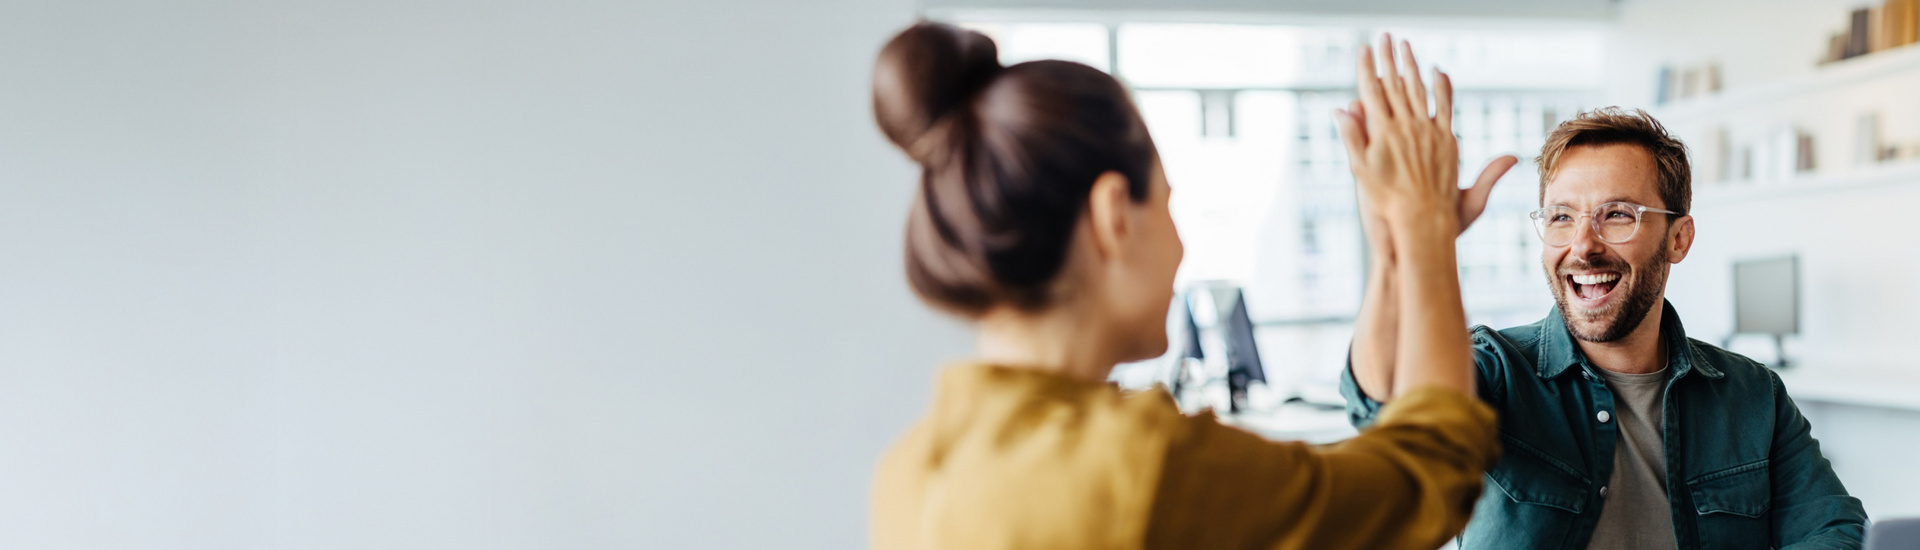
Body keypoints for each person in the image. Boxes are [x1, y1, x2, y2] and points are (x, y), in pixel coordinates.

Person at [868, 23, 1505, 549]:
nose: (1182, 246)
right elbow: (1427, 479)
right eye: (1168, 206)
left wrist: (1397, 255)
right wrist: (1424, 230)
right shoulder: (1136, 467)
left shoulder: (908, 472)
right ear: (1113, 215)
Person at [1340, 106, 1871, 548]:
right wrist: (1397, 250)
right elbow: (1383, 403)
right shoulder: (1497, 371)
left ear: (1679, 238)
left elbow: (1832, 530)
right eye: (1561, 217)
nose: (1584, 244)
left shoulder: (1754, 395)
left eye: (1617, 214)